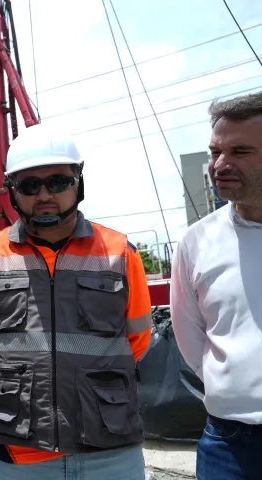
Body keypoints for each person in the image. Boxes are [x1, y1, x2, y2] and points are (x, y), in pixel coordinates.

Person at [0, 124, 153, 479]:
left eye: (58, 182)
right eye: (30, 185)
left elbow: (137, 340)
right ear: (13, 192)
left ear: (78, 183)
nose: (44, 194)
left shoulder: (121, 253)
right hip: (19, 451)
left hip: (108, 450)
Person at [171, 91, 262, 480]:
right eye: (215, 152)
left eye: (239, 151)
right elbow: (190, 338)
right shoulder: (195, 242)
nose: (220, 164)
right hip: (230, 445)